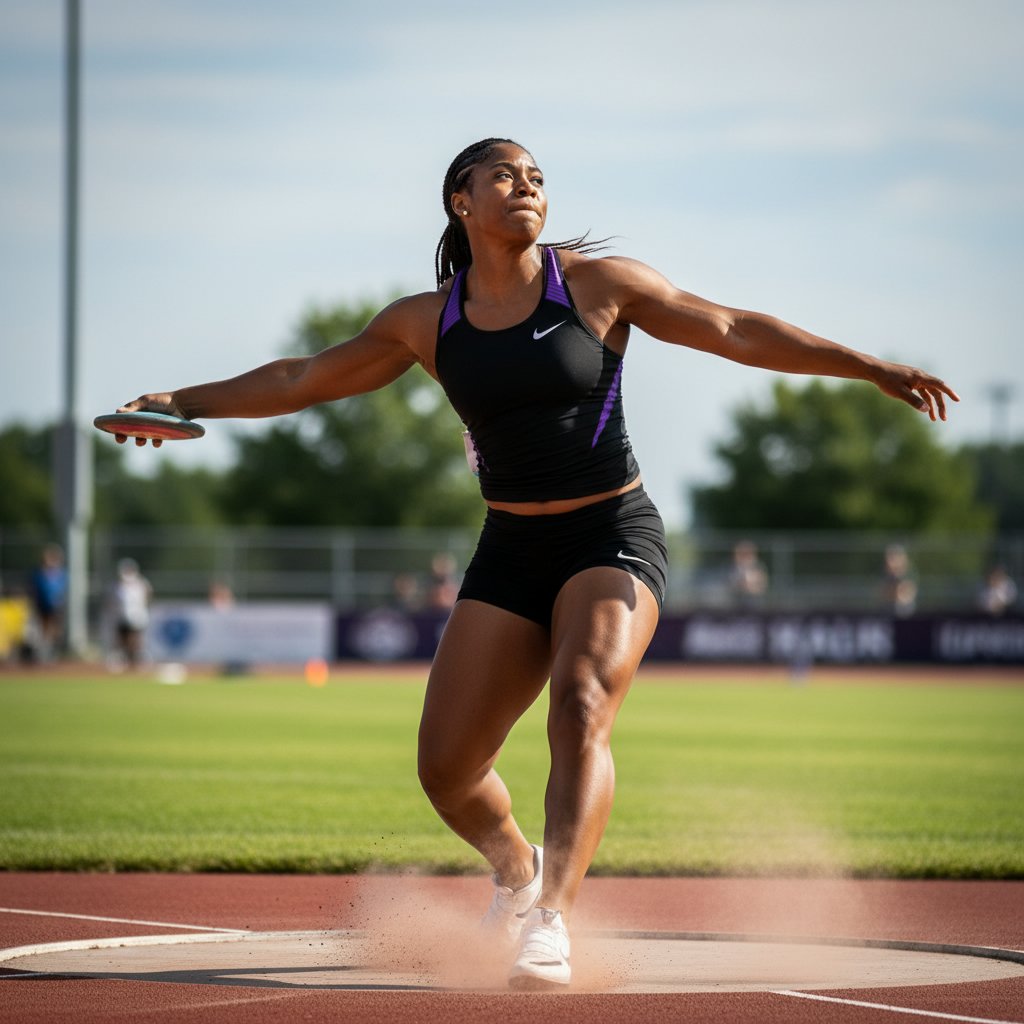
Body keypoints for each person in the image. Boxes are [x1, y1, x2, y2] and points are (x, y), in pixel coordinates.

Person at [113, 137, 958, 989]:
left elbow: (734, 329)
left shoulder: (597, 284)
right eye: (505, 175)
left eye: (538, 177)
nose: (527, 186)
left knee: (583, 696)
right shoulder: (425, 320)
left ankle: (551, 918)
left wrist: (866, 366)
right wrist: (185, 401)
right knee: (446, 770)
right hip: (510, 548)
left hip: (611, 534)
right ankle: (517, 875)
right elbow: (302, 378)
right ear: (461, 202)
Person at [108, 558, 152, 669]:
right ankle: (124, 660)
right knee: (122, 640)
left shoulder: (140, 584)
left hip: (136, 616)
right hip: (122, 616)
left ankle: (137, 660)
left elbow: (147, 595)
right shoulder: (118, 586)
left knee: (135, 639)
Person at [30, 543, 67, 661]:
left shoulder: (61, 574)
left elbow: (63, 590)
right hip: (42, 605)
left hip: (56, 606)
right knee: (43, 630)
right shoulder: (38, 574)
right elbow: (35, 590)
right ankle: (43, 653)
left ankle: (51, 652)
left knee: (55, 630)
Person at [728, 540, 769, 610]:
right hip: (738, 603)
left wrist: (750, 587)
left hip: (755, 603)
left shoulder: (758, 567)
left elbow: (762, 586)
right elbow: (731, 586)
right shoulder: (734, 568)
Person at [882, 543, 918, 617]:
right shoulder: (886, 576)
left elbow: (905, 597)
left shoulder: (909, 575)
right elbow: (883, 595)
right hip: (888, 612)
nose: (890, 561)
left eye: (893, 558)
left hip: (905, 614)